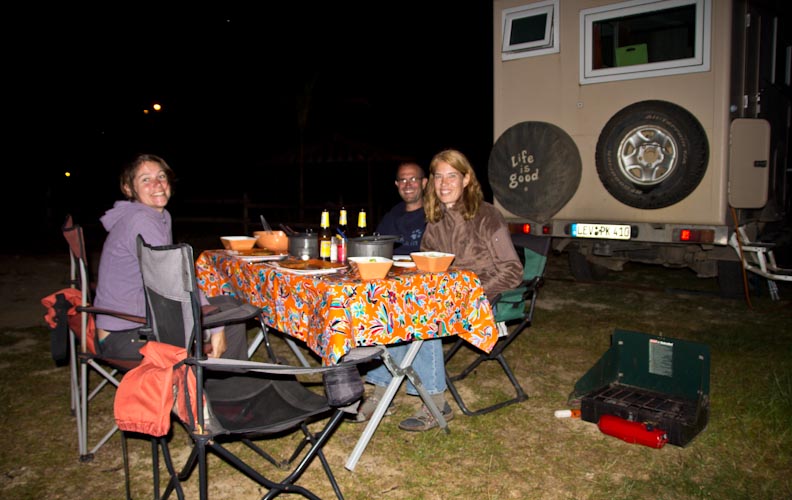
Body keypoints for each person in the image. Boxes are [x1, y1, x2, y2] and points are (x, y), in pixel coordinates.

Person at [360, 149, 523, 432]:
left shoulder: (487, 216)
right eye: (438, 177)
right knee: (390, 304)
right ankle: (380, 391)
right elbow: (425, 264)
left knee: (425, 316)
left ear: (467, 179)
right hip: (443, 297)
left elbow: (512, 270)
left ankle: (436, 404)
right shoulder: (435, 219)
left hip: (483, 298)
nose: (444, 184)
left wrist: (473, 292)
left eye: (452, 176)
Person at [93, 154, 248, 360]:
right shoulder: (141, 220)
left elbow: (175, 275)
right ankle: (212, 387)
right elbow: (174, 281)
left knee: (231, 305)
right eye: (145, 179)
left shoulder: (159, 216)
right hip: (125, 334)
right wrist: (215, 325)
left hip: (145, 317)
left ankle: (217, 386)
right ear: (129, 188)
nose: (157, 184)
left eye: (161, 176)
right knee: (229, 318)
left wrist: (212, 317)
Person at [375, 161, 428, 255]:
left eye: (413, 179)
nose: (408, 185)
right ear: (397, 184)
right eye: (403, 180)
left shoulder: (435, 215)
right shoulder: (390, 217)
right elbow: (376, 250)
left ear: (423, 183)